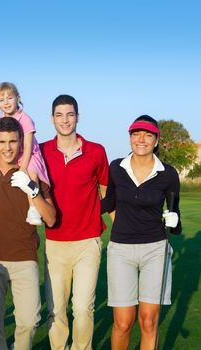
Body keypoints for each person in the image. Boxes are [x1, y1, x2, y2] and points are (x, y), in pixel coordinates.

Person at [0, 117, 56, 350]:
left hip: (24, 258)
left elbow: (50, 218)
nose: (7, 147)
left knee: (29, 322)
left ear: (22, 142)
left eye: (12, 141)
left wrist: (32, 189)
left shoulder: (30, 172)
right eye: (1, 141)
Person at [101, 115, 181, 350]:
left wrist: (174, 220)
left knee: (148, 321)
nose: (142, 140)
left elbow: (175, 225)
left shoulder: (167, 173)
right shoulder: (116, 167)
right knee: (123, 323)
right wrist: (79, 210)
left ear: (156, 140)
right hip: (121, 250)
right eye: (136, 134)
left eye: (148, 135)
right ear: (130, 138)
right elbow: (108, 202)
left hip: (155, 249)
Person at [40, 95, 109, 350]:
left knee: (82, 308)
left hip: (87, 242)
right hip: (54, 243)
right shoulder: (42, 151)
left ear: (78, 117)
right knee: (56, 309)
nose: (65, 120)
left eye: (70, 114)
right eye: (60, 115)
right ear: (52, 119)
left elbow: (105, 191)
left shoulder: (96, 151)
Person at [0, 82, 50, 225]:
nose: (6, 103)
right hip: (8, 151)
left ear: (18, 98)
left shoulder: (25, 119)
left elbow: (28, 145)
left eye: (10, 98)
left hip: (27, 153)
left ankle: (33, 209)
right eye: (1, 100)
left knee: (32, 174)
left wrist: (23, 168)